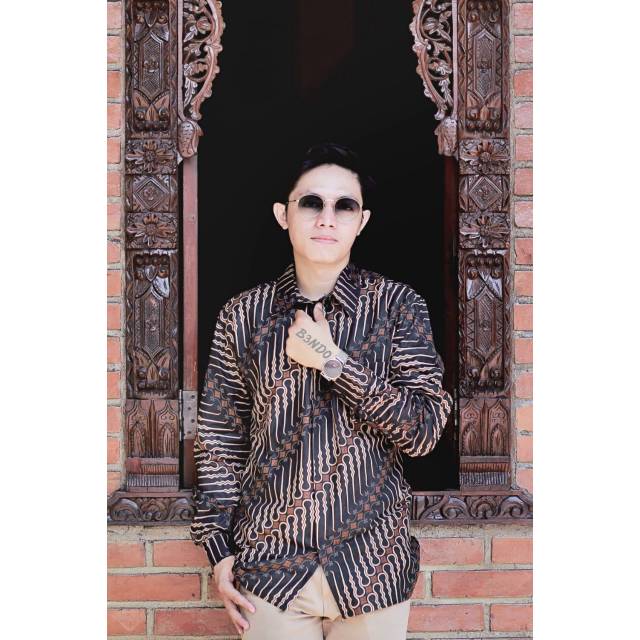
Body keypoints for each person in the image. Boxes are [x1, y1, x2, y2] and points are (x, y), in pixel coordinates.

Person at [189, 142, 453, 639]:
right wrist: (218, 550)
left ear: (362, 221)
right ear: (282, 215)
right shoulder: (243, 316)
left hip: (371, 567)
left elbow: (423, 431)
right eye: (311, 202)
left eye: (343, 206)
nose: (326, 218)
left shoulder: (397, 306)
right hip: (271, 568)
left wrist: (334, 362)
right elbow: (221, 442)